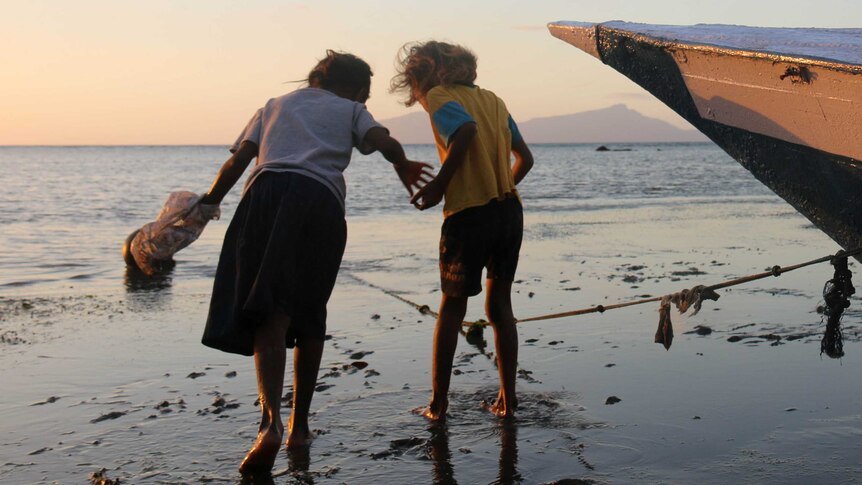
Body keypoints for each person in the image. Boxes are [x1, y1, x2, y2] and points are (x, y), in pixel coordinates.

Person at [199, 50, 432, 475]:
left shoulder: (272, 106)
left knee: (269, 311)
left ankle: (269, 424)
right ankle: (300, 427)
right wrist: (404, 165)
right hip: (320, 203)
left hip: (264, 197)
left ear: (314, 80)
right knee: (308, 314)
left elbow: (238, 161)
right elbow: (384, 142)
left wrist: (207, 204)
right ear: (360, 89)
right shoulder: (352, 109)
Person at [391, 41, 534, 420]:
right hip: (508, 212)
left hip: (469, 215)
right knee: (500, 307)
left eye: (415, 84)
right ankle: (508, 398)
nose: (419, 97)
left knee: (453, 308)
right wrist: (500, 186)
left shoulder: (441, 95)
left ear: (429, 75)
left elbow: (466, 131)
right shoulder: (495, 101)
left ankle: (438, 403)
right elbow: (526, 158)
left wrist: (440, 184)